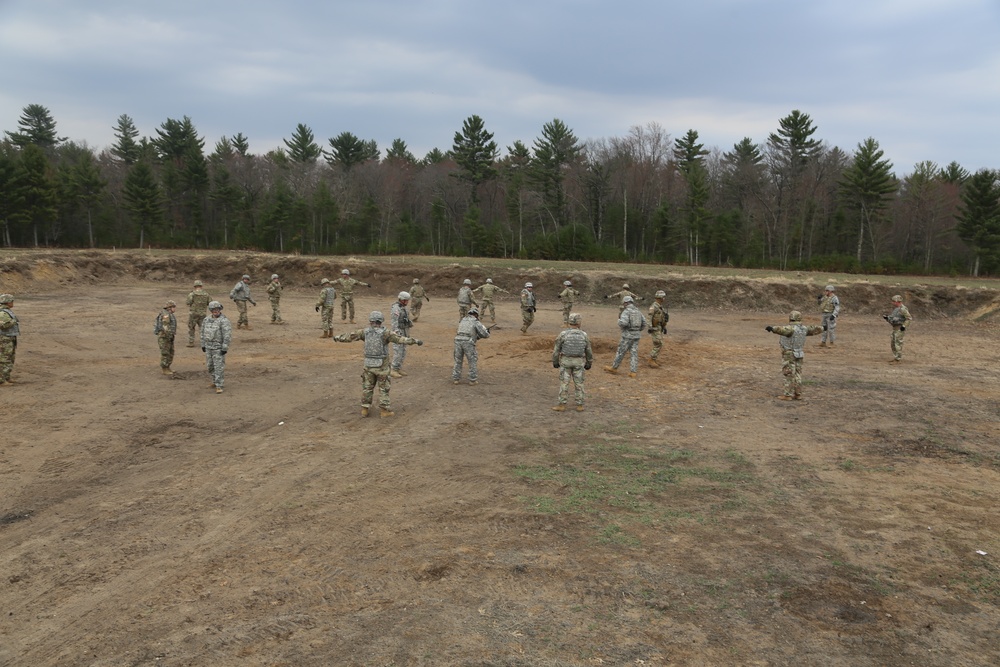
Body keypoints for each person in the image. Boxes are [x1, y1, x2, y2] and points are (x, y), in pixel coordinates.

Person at [334, 310, 423, 418]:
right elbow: (400, 340)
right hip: (382, 366)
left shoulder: (364, 332)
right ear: (381, 321)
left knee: (367, 387)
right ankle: (384, 411)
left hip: (368, 365)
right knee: (383, 388)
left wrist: (338, 337)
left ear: (370, 320)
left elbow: (349, 336)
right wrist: (415, 341)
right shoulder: (386, 333)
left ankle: (364, 409)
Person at [765, 310, 823, 400]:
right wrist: (823, 328)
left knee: (788, 374)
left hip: (789, 353)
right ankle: (797, 393)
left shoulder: (791, 329)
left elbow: (781, 330)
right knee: (797, 374)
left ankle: (787, 394)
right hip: (799, 353)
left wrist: (772, 328)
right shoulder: (804, 329)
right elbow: (814, 329)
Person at [552, 312, 593, 411]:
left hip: (566, 361)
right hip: (579, 361)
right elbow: (588, 351)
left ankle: (562, 404)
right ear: (579, 323)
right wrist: (589, 363)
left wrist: (555, 361)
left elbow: (556, 350)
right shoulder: (584, 335)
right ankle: (580, 405)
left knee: (564, 383)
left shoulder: (563, 334)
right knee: (579, 383)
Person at [604, 295, 647, 377]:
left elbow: (624, 323)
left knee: (621, 351)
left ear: (626, 303)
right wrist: (637, 330)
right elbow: (644, 323)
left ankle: (614, 367)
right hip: (636, 335)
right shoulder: (638, 311)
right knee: (634, 353)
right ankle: (633, 372)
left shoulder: (626, 311)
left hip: (627, 335)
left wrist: (618, 321)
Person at [452, 307, 491, 385]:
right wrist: (487, 332)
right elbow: (484, 334)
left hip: (457, 340)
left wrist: (476, 336)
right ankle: (472, 380)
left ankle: (456, 378)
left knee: (458, 360)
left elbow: (463, 331)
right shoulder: (475, 321)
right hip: (468, 342)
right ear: (476, 315)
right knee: (472, 360)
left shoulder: (463, 320)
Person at [201, 300, 232, 394]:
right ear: (211, 310)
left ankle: (219, 385)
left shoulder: (224, 320)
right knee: (210, 366)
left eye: (217, 309)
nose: (216, 311)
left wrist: (224, 347)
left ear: (220, 309)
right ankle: (214, 381)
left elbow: (227, 335)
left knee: (218, 367)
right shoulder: (206, 320)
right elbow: (202, 332)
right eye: (214, 309)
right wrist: (203, 344)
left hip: (218, 348)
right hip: (208, 347)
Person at [389, 291, 415, 378]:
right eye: (406, 300)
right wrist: (396, 333)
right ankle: (393, 369)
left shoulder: (403, 308)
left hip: (404, 331)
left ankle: (398, 367)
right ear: (401, 299)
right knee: (398, 351)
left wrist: (409, 323)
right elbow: (394, 321)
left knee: (403, 351)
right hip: (399, 332)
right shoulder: (396, 308)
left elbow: (406, 318)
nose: (407, 302)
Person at [883, 294, 913, 362]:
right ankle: (896, 357)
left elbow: (909, 318)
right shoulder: (896, 309)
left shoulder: (903, 309)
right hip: (895, 328)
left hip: (899, 328)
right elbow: (893, 318)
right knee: (893, 343)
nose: (892, 303)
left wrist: (904, 326)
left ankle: (898, 358)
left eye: (893, 301)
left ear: (897, 301)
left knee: (898, 344)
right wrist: (887, 318)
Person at [0, 294, 20, 386]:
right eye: (11, 301)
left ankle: (6, 377)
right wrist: (14, 321)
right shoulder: (3, 313)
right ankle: (1, 380)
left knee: (10, 358)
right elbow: (3, 326)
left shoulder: (7, 311)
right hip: (5, 339)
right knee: (4, 359)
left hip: (9, 337)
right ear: (7, 302)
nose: (12, 302)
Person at [154, 299, 178, 376]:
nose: (175, 308)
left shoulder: (169, 314)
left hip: (169, 337)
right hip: (165, 337)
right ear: (170, 307)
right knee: (165, 353)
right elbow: (165, 327)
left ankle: (168, 367)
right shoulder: (166, 315)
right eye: (174, 307)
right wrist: (168, 336)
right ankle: (164, 368)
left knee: (170, 352)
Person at [185, 279, 211, 347]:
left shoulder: (192, 294)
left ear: (194, 286)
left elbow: (188, 302)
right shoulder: (206, 294)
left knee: (191, 328)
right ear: (201, 286)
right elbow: (210, 303)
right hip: (202, 314)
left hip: (193, 314)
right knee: (202, 328)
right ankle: (205, 342)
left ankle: (191, 342)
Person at [647, 290, 669, 368]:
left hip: (659, 327)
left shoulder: (659, 306)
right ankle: (651, 359)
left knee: (659, 343)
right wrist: (650, 327)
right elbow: (649, 317)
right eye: (663, 297)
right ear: (660, 298)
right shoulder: (654, 306)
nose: (664, 299)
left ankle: (653, 359)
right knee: (658, 343)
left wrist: (664, 327)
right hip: (655, 328)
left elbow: (661, 318)